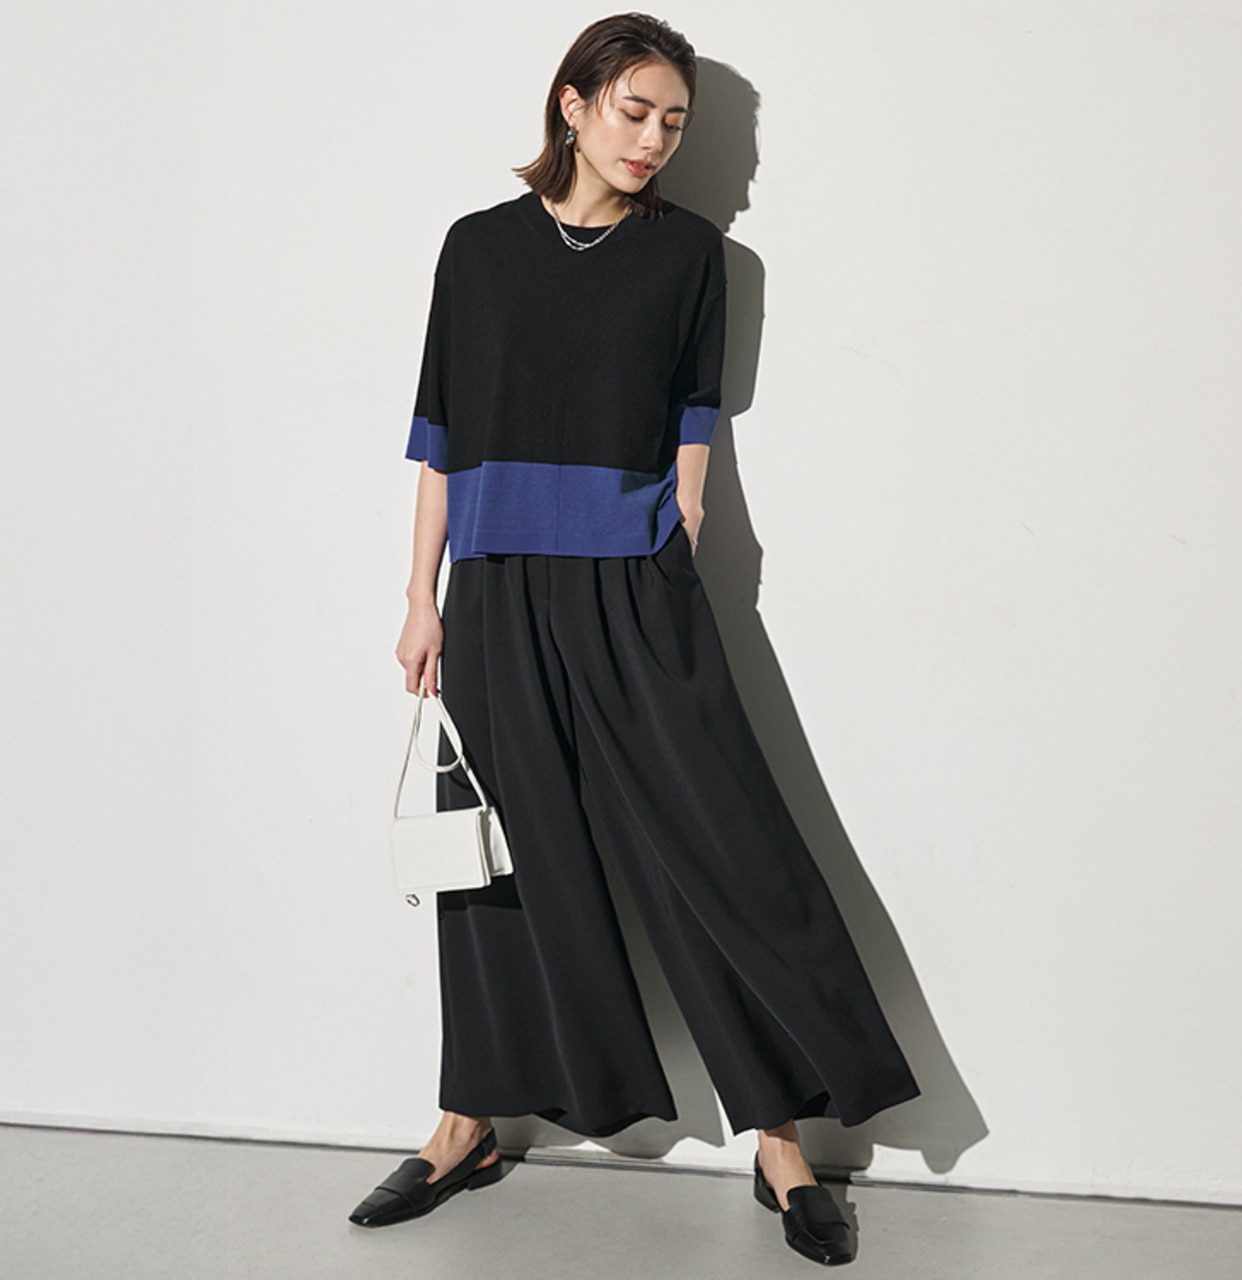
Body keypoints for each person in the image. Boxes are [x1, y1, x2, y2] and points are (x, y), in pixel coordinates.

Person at [349, 13, 920, 1267]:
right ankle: (467, 1120)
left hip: (631, 580)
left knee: (719, 845)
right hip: (493, 585)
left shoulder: (692, 255)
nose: (654, 138)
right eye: (634, 110)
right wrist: (419, 594)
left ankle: (780, 1137)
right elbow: (439, 435)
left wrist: (685, 528)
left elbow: (694, 416)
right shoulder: (476, 248)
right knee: (496, 862)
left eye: (675, 122)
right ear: (572, 104)